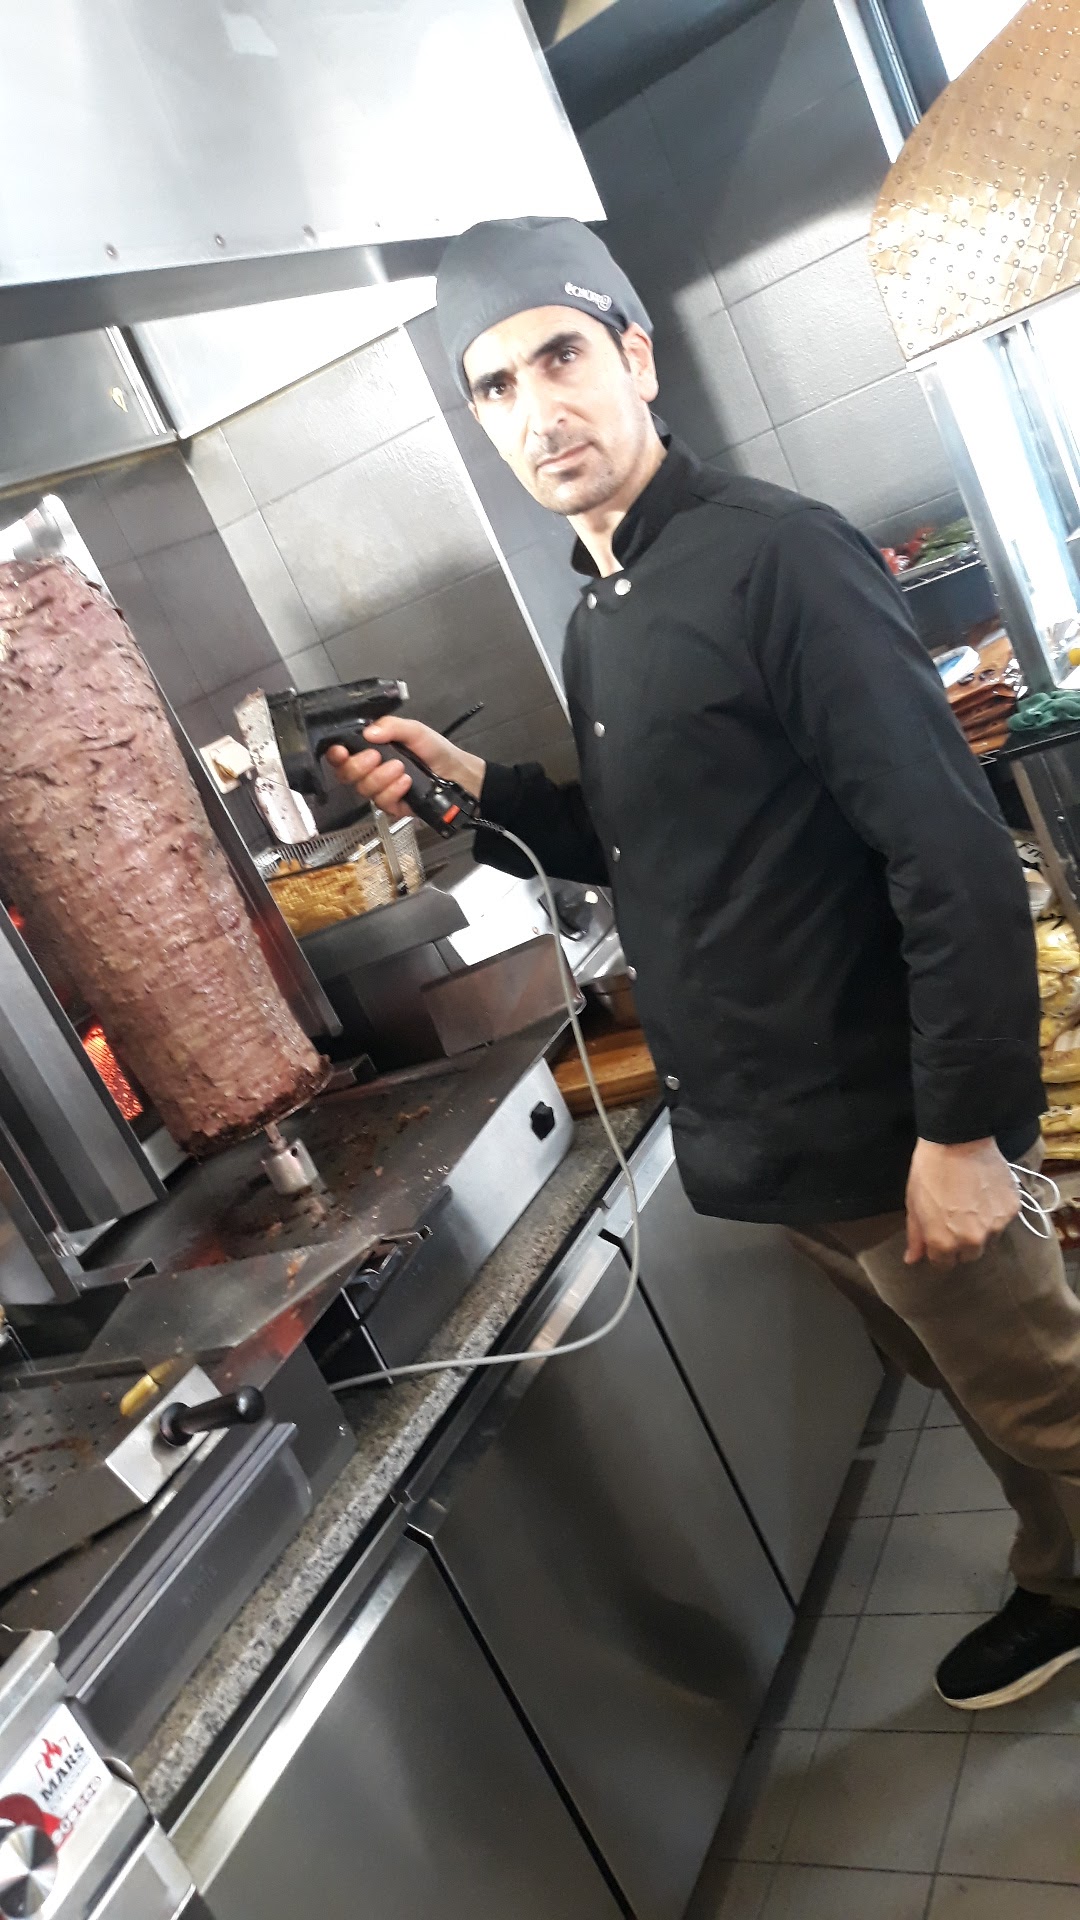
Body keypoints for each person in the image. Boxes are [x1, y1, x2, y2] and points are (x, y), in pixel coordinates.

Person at [330, 215, 1080, 1713]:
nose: (539, 410)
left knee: (1046, 1396)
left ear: (636, 356)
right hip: (783, 1139)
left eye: (561, 356)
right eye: (496, 387)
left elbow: (948, 854)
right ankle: (1069, 1580)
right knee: (975, 1383)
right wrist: (473, 787)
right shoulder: (598, 607)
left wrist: (960, 1135)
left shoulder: (775, 556)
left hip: (891, 1117)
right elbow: (646, 836)